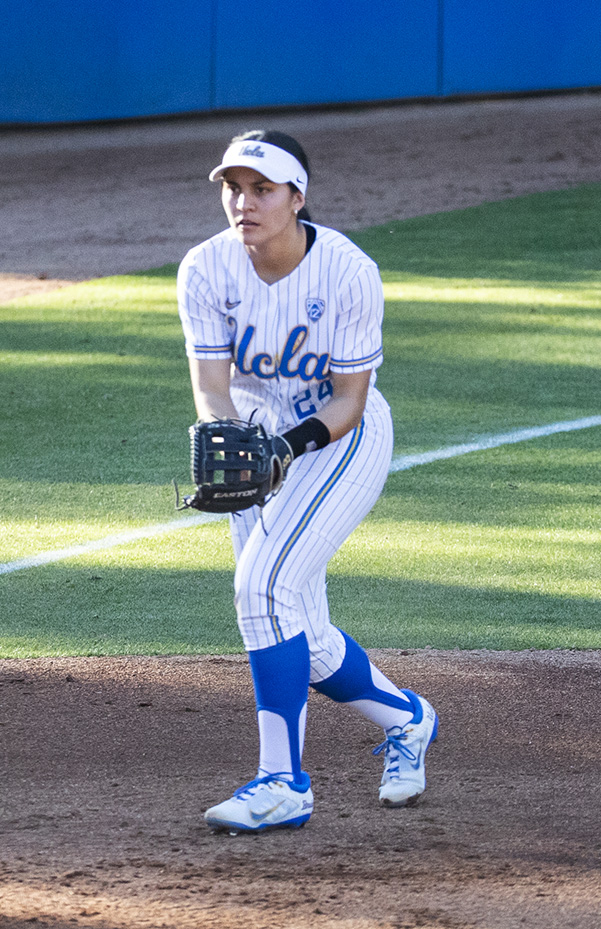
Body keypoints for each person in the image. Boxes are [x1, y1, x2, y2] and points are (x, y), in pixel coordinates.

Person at [176, 130, 438, 833]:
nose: (244, 202)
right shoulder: (204, 269)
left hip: (337, 440)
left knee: (262, 590)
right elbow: (211, 384)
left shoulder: (348, 272)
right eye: (234, 188)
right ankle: (408, 720)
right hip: (256, 447)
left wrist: (284, 449)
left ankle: (283, 781)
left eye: (262, 189)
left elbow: (349, 400)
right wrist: (233, 444)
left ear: (298, 197)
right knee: (299, 628)